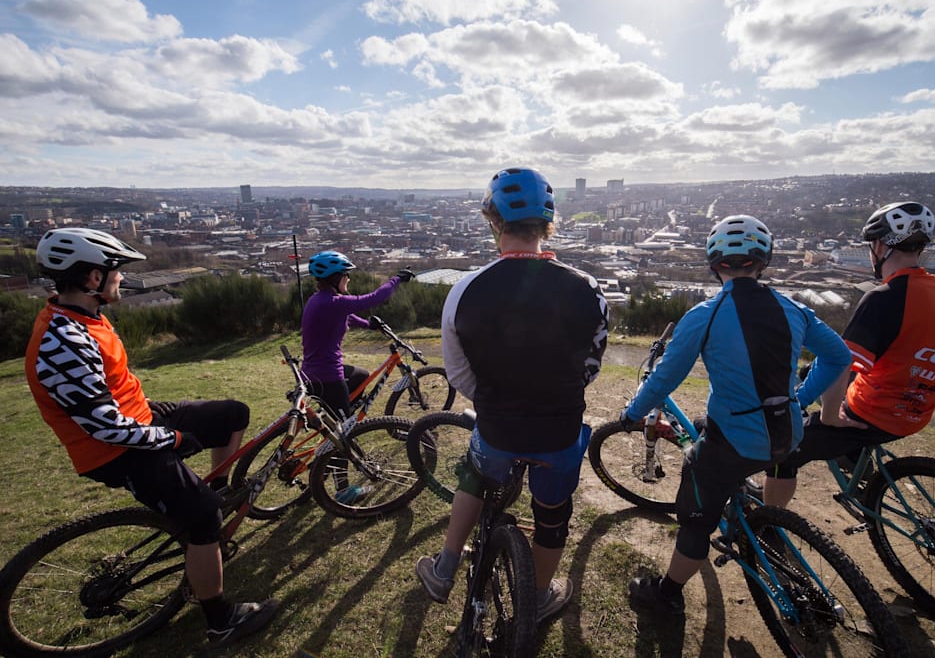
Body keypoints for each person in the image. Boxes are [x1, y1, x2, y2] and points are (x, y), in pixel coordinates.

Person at [25, 227, 278, 647]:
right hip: (116, 450)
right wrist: (172, 440)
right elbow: (102, 425)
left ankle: (210, 494)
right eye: (116, 271)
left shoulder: (84, 315)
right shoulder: (62, 339)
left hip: (138, 419)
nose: (121, 277)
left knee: (232, 414)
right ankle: (220, 619)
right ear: (92, 279)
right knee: (203, 519)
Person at [620, 215, 853, 615]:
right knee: (701, 427)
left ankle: (667, 594)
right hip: (789, 433)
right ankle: (748, 509)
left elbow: (663, 380)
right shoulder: (793, 308)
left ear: (715, 264)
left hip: (734, 442)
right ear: (763, 260)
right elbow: (839, 357)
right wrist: (799, 396)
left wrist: (632, 413)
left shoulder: (704, 315)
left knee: (696, 514)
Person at [415, 167, 609, 622]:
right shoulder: (587, 288)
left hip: (498, 426)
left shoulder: (464, 290)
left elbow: (458, 373)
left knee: (475, 476)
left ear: (493, 222)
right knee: (552, 513)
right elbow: (591, 367)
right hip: (559, 430)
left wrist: (497, 398)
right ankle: (539, 596)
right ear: (548, 224)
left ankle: (445, 567)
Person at [764, 201, 935, 507]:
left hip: (874, 415)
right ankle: (858, 467)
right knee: (810, 374)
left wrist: (831, 417)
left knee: (781, 450)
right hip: (918, 410)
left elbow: (841, 362)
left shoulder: (884, 298)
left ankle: (768, 524)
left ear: (880, 245)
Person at [300, 250, 414, 419]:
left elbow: (347, 316)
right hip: (327, 377)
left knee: (361, 375)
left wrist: (368, 325)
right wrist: (397, 279)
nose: (348, 278)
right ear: (335, 277)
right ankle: (342, 422)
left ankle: (342, 411)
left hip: (312, 372)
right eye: (346, 274)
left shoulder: (318, 299)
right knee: (343, 432)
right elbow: (374, 298)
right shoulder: (334, 302)